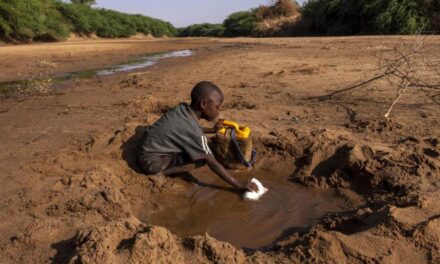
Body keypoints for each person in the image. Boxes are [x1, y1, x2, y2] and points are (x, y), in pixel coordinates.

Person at [138, 81, 257, 192]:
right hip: (152, 163)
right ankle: (164, 172)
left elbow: (187, 129)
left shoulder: (182, 108)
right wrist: (238, 184)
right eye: (217, 107)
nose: (218, 111)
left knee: (199, 146)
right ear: (204, 104)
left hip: (148, 150)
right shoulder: (193, 130)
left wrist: (211, 130)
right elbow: (211, 162)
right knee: (202, 159)